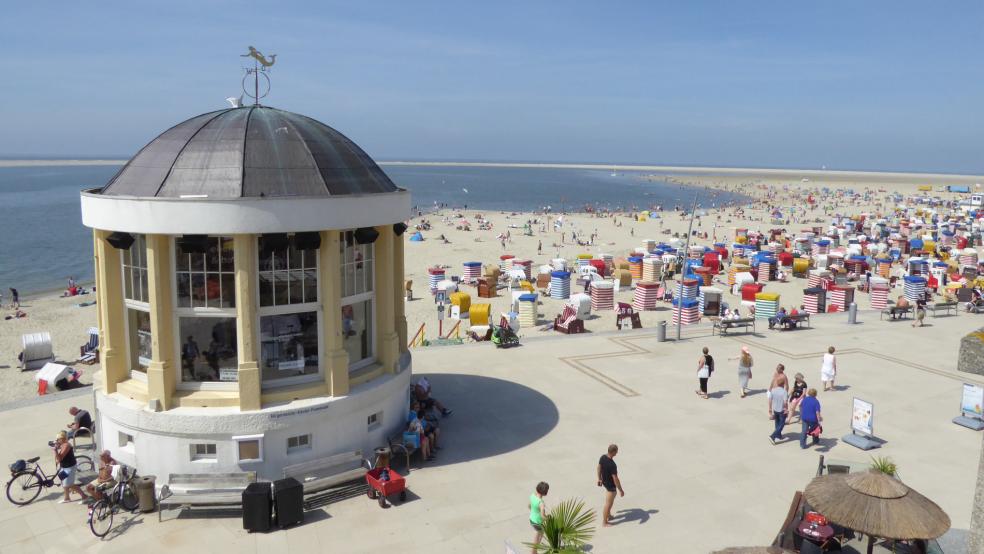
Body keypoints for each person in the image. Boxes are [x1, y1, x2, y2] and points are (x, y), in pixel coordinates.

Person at [53, 431, 89, 504]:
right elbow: (59, 458)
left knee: (69, 484)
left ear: (63, 439)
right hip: (64, 467)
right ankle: (67, 498)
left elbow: (60, 458)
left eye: (58, 439)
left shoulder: (66, 445)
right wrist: (56, 446)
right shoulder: (62, 444)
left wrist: (55, 450)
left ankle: (84, 496)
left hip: (70, 467)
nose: (57, 441)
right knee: (64, 483)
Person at [597, 444, 623, 527]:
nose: (617, 453)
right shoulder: (612, 464)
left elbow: (599, 468)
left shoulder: (603, 457)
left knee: (610, 502)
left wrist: (599, 478)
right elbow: (615, 478)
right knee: (608, 504)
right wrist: (621, 490)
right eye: (616, 451)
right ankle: (604, 522)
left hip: (604, 481)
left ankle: (608, 515)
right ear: (613, 452)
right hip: (610, 485)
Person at [528, 482, 549, 553]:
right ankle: (533, 551)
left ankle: (534, 550)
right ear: (545, 493)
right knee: (537, 537)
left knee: (539, 534)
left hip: (531, 519)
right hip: (538, 522)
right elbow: (542, 516)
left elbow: (529, 506)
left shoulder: (532, 495)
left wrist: (534, 512)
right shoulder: (541, 503)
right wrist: (548, 519)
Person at [768, 377, 789, 445]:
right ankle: (772, 436)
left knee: (777, 423)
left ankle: (778, 435)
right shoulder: (784, 392)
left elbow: (770, 400)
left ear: (777, 383)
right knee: (781, 424)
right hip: (782, 410)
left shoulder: (773, 390)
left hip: (775, 409)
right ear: (783, 384)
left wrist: (770, 409)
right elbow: (785, 402)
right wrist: (786, 409)